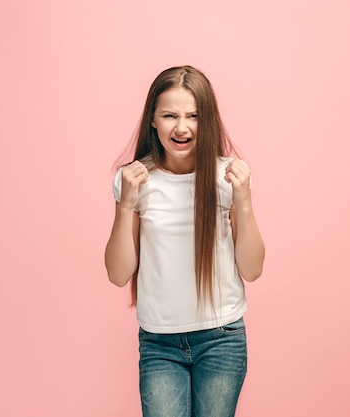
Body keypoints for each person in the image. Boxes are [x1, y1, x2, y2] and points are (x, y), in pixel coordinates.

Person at [104, 65, 265, 417]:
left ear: (208, 120)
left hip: (221, 339)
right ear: (153, 120)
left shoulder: (228, 177)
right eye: (170, 115)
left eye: (193, 115)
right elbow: (118, 274)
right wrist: (127, 203)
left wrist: (244, 202)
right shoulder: (135, 180)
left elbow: (252, 270)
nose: (182, 127)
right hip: (160, 344)